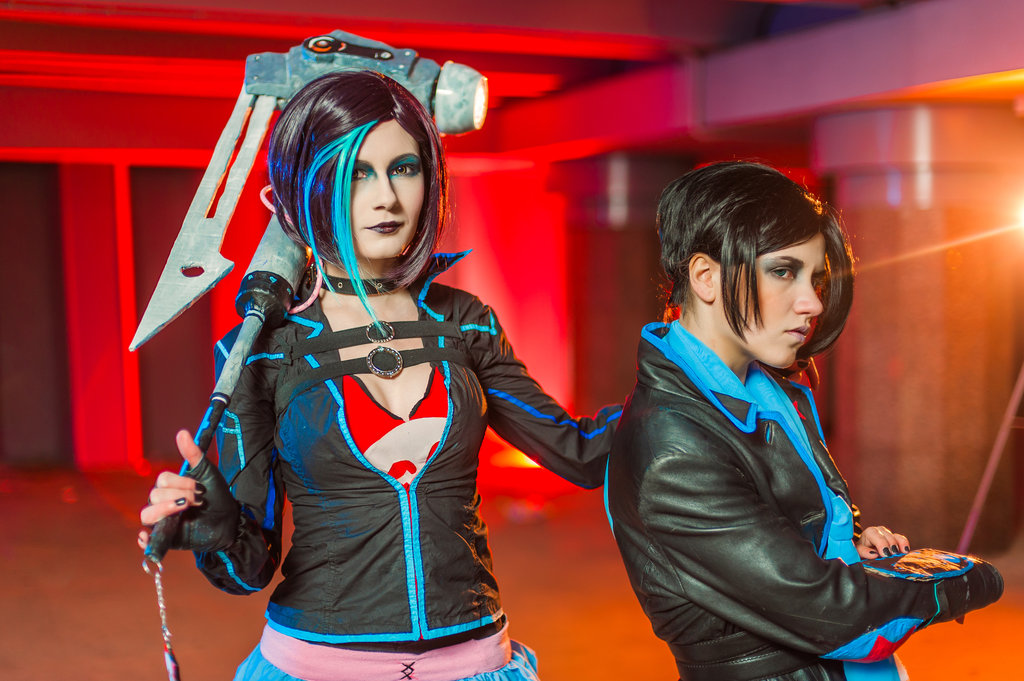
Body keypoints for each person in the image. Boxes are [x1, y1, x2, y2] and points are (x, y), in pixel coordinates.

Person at [138, 70, 620, 681]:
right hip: (316, 665)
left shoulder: (464, 322)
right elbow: (248, 569)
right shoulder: (261, 350)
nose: (386, 197)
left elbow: (582, 453)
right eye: (355, 173)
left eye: (404, 168)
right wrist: (216, 527)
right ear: (303, 189)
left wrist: (685, 367)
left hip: (474, 660)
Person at [605, 161, 1003, 681]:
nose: (812, 302)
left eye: (814, 278)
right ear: (706, 277)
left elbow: (794, 530)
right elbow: (838, 618)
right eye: (783, 271)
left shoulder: (767, 388)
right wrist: (957, 580)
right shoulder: (673, 446)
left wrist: (852, 544)